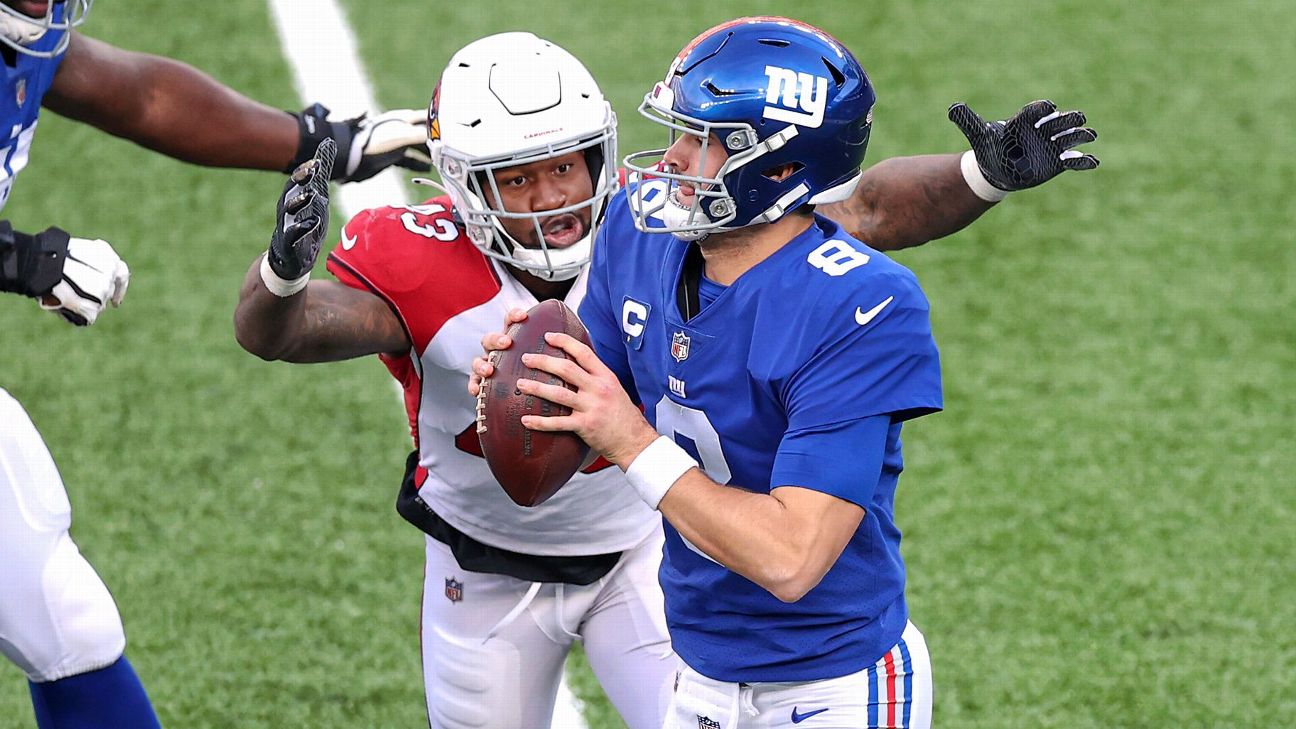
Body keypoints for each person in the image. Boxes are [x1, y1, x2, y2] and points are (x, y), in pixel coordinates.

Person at [238, 23, 1096, 727]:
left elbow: (792, 558)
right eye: (677, 133)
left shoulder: (862, 305)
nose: (669, 162)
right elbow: (575, 403)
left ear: (779, 167)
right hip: (690, 658)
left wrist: (624, 432)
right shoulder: (640, 234)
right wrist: (536, 385)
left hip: (823, 674)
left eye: (701, 141)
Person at [0, 1, 429, 727]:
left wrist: (326, 142)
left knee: (71, 631)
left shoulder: (29, 35)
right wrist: (25, 259)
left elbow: (140, 94)